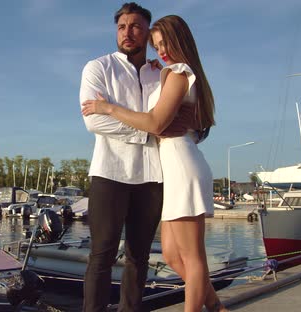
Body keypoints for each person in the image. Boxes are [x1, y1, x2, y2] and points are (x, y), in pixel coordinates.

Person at [81, 15, 227, 312]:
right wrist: (152, 130)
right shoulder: (104, 68)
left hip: (169, 170)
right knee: (168, 255)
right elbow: (94, 122)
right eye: (157, 45)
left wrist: (110, 107)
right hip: (133, 171)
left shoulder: (174, 72)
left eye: (164, 43)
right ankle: (217, 307)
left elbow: (164, 122)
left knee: (173, 256)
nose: (161, 50)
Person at [79, 3, 187, 311]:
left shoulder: (160, 73)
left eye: (136, 26)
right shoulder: (98, 68)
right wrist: (148, 130)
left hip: (152, 175)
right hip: (109, 172)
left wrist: (149, 123)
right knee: (101, 254)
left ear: (148, 34)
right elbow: (93, 120)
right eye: (122, 27)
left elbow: (173, 116)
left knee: (139, 257)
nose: (128, 32)